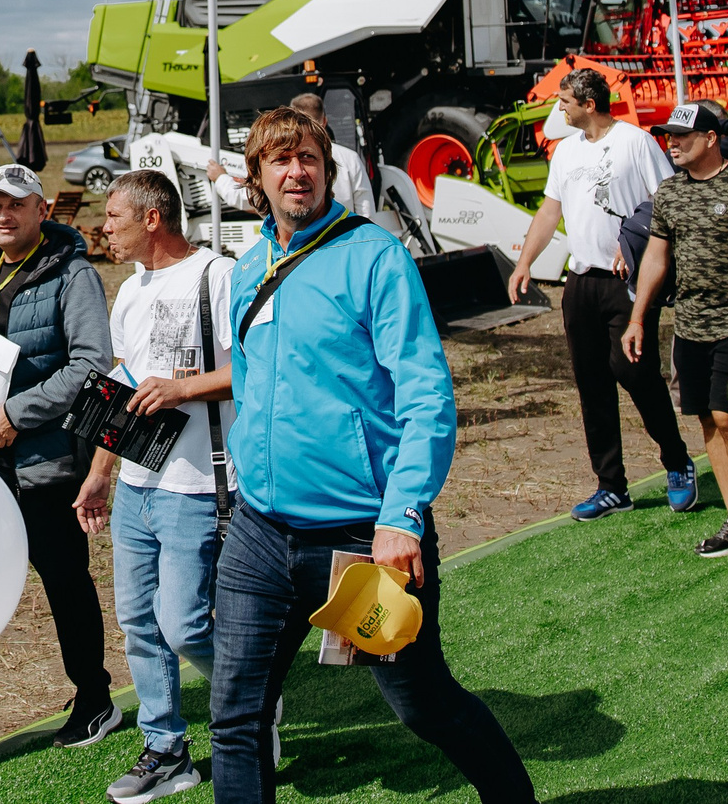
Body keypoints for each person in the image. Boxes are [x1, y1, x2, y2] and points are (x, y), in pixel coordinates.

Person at [209, 106, 535, 804]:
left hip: (365, 537)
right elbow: (251, 378)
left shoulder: (376, 257)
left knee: (424, 705)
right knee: (234, 715)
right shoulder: (245, 269)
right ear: (257, 176)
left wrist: (403, 516)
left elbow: (427, 397)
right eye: (279, 159)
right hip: (260, 535)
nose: (295, 171)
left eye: (309, 159)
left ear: (328, 170)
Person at [0, 162, 116, 772]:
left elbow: (91, 364)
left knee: (64, 583)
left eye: (15, 204)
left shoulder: (75, 274)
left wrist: (21, 412)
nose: (1, 215)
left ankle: (94, 698)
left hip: (43, 460)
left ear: (42, 211)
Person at [71, 169, 234, 803]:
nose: (103, 229)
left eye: (112, 218)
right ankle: (165, 748)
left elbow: (251, 368)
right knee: (140, 623)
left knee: (185, 624)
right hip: (137, 486)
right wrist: (99, 476)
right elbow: (124, 391)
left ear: (151, 220)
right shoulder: (130, 293)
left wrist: (183, 388)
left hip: (198, 484)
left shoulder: (216, 277)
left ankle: (250, 697)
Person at [510, 69, 695, 519]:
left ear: (589, 103)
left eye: (565, 100)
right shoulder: (565, 152)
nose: (560, 108)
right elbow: (550, 210)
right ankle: (612, 486)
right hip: (581, 281)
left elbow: (667, 201)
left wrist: (636, 243)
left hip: (628, 282)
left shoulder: (636, 142)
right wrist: (524, 262)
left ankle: (676, 461)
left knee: (634, 372)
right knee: (592, 383)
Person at [623, 101, 728, 566]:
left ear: (711, 138)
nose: (672, 143)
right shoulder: (669, 192)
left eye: (681, 136)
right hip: (691, 319)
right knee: (707, 420)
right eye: (668, 136)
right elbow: (656, 258)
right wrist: (637, 317)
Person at [289, 91, 375, 218]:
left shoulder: (282, 161)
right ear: (324, 121)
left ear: (291, 123)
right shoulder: (350, 158)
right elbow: (366, 212)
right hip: (345, 235)